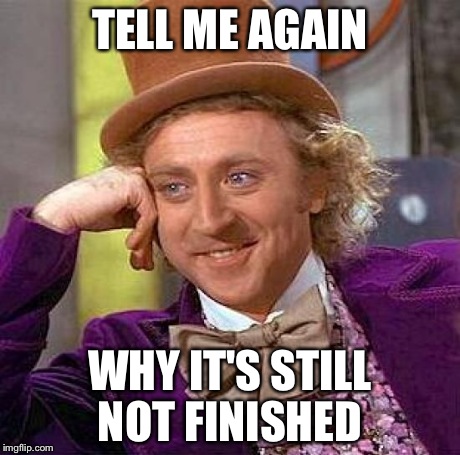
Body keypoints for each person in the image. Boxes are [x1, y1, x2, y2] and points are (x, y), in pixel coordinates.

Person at [1, 0, 459, 454]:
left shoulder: (446, 288)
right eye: (174, 187)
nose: (211, 220)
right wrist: (52, 222)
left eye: (240, 178)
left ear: (314, 184)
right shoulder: (118, 369)